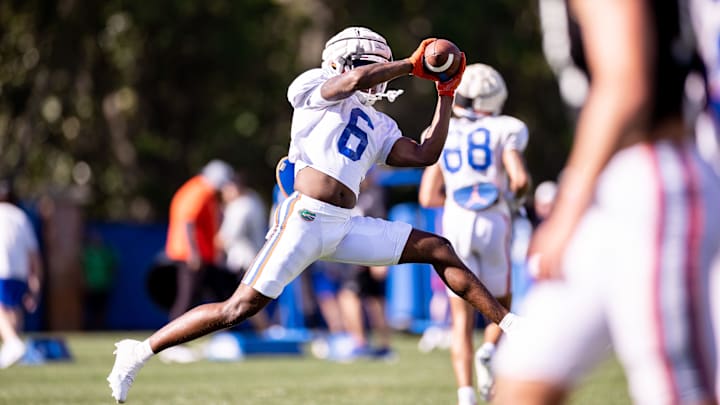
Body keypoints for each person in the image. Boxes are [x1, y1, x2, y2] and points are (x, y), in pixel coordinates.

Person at [108, 26, 524, 403]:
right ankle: (139, 351)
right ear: (345, 61)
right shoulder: (312, 84)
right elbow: (354, 80)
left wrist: (445, 96)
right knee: (238, 309)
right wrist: (411, 66)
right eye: (374, 64)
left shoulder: (378, 123)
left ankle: (510, 327)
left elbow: (425, 153)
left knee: (436, 247)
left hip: (345, 225)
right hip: (304, 219)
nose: (380, 73)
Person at [493, 1, 720, 404]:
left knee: (673, 388)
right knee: (525, 376)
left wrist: (568, 207)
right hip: (615, 190)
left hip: (653, 185)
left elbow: (626, 83)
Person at [418, 63, 530, 405]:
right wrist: (514, 200)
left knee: (460, 317)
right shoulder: (505, 128)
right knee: (502, 307)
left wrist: (456, 201)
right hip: (494, 220)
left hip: (457, 221)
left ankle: (465, 395)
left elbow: (427, 196)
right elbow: (520, 179)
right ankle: (490, 350)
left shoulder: (443, 130)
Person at [160, 159, 237, 363]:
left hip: (202, 255)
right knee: (187, 298)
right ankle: (171, 344)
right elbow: (188, 220)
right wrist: (193, 252)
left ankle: (221, 340)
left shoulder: (203, 191)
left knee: (217, 296)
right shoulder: (199, 190)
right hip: (191, 255)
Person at [0, 179, 42, 369]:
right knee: (13, 309)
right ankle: (13, 354)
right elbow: (34, 254)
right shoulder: (21, 217)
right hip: (19, 272)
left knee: (3, 308)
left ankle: (12, 342)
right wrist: (35, 284)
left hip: (2, 267)